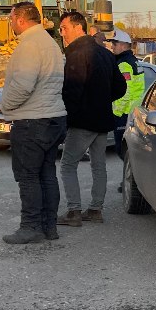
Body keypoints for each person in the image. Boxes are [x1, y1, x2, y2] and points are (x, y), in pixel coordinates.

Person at [0, 2, 67, 244]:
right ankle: (49, 227)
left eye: (11, 18)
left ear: (19, 19)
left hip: (32, 121)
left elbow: (23, 85)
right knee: (46, 174)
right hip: (52, 118)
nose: (10, 23)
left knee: (28, 177)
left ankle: (30, 227)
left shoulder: (29, 45)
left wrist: (6, 106)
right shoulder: (50, 43)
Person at [57, 11, 126, 227]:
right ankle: (96, 210)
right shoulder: (105, 53)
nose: (61, 34)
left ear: (79, 28)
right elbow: (120, 88)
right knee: (99, 166)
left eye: (64, 28)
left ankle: (74, 211)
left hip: (82, 122)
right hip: (103, 120)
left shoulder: (77, 54)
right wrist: (102, 100)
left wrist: (66, 120)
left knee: (67, 165)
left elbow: (72, 92)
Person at [107, 28, 145, 157]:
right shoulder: (133, 61)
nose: (112, 46)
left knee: (121, 150)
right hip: (134, 111)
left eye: (114, 44)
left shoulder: (123, 64)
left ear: (123, 45)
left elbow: (125, 92)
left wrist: (117, 113)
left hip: (124, 114)